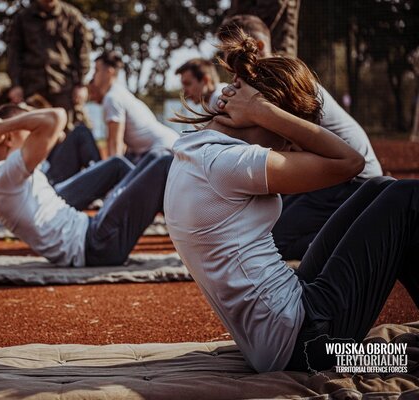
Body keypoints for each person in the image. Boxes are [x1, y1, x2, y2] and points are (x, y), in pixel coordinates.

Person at [164, 29, 419, 373]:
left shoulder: (195, 150)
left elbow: (360, 174)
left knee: (379, 189)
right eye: (289, 130)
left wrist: (264, 113)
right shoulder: (230, 165)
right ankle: (389, 359)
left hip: (278, 338)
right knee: (407, 197)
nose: (288, 146)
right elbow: (351, 162)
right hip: (308, 345)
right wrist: (264, 111)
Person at [217, 14, 383, 260]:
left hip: (353, 179)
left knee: (275, 243)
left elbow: (285, 145)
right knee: (265, 229)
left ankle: (365, 238)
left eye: (235, 54)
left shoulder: (285, 80)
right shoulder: (265, 80)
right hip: (326, 173)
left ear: (258, 47)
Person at [0, 104, 172, 267]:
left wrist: (2, 126)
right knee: (164, 164)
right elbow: (56, 117)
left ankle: (179, 225)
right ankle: (193, 234)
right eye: (28, 131)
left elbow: (54, 127)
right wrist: (1, 127)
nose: (33, 135)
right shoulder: (6, 176)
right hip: (96, 245)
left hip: (92, 231)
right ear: (9, 137)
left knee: (154, 157)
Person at [6, 0, 92, 131]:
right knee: (33, 134)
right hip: (32, 88)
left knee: (68, 134)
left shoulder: (72, 16)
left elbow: (83, 53)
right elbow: (14, 54)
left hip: (64, 88)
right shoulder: (23, 18)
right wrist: (16, 85)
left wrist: (81, 85)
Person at [91, 51, 179, 163]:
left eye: (97, 70)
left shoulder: (112, 98)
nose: (93, 75)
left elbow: (115, 143)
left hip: (163, 151)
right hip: (165, 147)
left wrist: (111, 173)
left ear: (109, 72)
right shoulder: (120, 92)